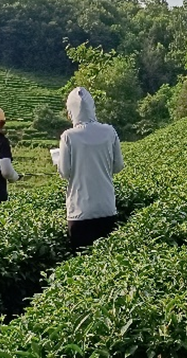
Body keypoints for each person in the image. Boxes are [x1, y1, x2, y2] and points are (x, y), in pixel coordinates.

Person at [55, 87, 124, 251]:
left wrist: (58, 160)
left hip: (80, 212)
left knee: (82, 261)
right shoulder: (110, 131)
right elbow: (118, 166)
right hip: (106, 208)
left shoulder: (68, 136)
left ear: (70, 111)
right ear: (92, 108)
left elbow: (64, 172)